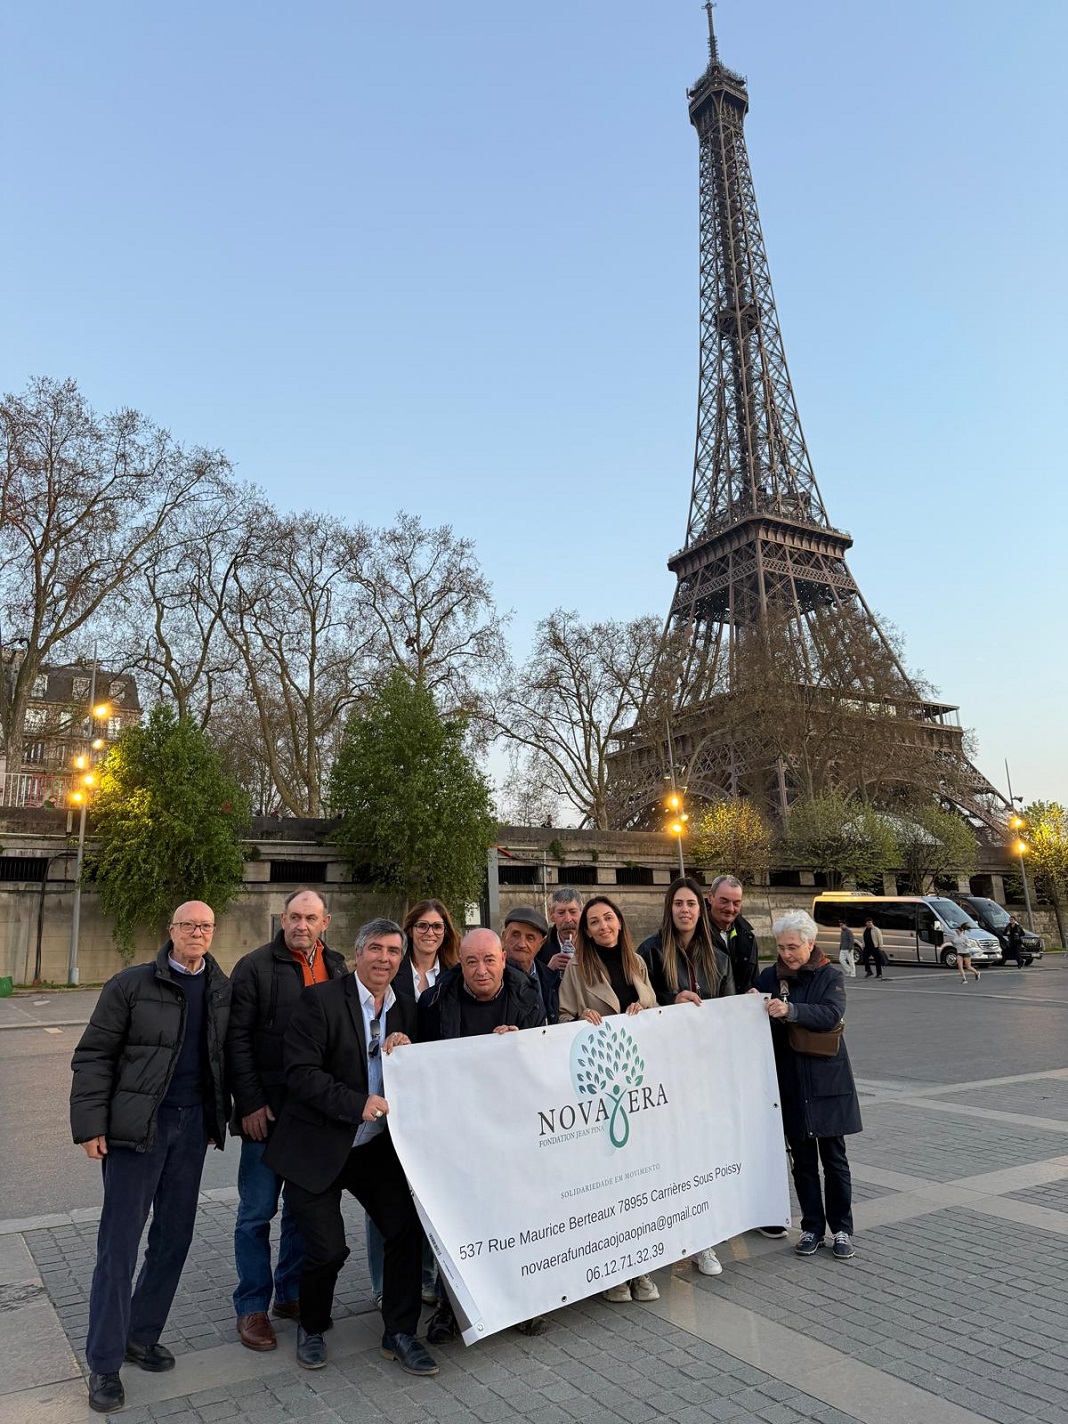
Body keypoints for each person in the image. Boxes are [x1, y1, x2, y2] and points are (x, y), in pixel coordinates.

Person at [70, 903, 231, 1415]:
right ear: (171, 932)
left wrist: (215, 1116)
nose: (197, 933)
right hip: (137, 1132)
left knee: (174, 1237)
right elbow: (94, 1054)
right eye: (188, 925)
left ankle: (142, 1334)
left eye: (205, 926)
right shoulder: (131, 984)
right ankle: (104, 1364)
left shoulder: (221, 987)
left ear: (212, 932)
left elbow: (223, 1054)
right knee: (118, 1246)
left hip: (191, 1131)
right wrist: (92, 1124)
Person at [262, 919, 438, 1378]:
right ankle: (313, 1327)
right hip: (317, 1146)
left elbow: (416, 1068)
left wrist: (407, 1048)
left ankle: (400, 1332)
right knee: (328, 1249)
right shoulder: (319, 1001)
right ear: (357, 954)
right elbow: (300, 1074)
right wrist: (357, 1103)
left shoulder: (405, 1008)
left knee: (404, 1231)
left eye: (393, 951)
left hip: (373, 1149)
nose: (384, 958)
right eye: (375, 949)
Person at [227, 889, 347, 1351]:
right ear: (282, 919)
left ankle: (291, 1294)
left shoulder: (336, 965)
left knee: (302, 1213)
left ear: (325, 922)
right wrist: (250, 1104)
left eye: (310, 918)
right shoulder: (254, 967)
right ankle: (252, 1306)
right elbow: (236, 1040)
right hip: (267, 1112)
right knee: (256, 1214)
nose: (301, 925)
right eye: (294, 916)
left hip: (313, 1116)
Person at [419, 928, 548, 1342]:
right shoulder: (436, 1000)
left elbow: (543, 1057)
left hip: (513, 1125)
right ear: (461, 964)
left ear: (503, 960)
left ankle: (522, 1301)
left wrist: (523, 1043)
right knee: (457, 1221)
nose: (480, 970)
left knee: (515, 1213)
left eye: (489, 960)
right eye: (471, 961)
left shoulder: (527, 995)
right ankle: (448, 1309)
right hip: (457, 1129)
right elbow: (419, 1061)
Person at [559, 896, 659, 1303]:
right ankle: (612, 1272)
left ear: (619, 921)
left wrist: (644, 1006)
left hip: (637, 1084)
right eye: (594, 922)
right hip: (601, 1088)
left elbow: (656, 1009)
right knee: (607, 1182)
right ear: (584, 931)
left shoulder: (637, 961)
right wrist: (579, 1020)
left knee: (639, 1179)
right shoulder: (578, 969)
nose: (603, 926)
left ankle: (641, 1267)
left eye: (608, 918)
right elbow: (561, 1019)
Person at [364, 898, 460, 1311]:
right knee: (383, 1194)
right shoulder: (391, 970)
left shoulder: (453, 975)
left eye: (438, 927)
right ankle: (384, 1283)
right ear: (409, 930)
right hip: (387, 1097)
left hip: (433, 1099)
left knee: (425, 1192)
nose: (430, 933)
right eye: (422, 925)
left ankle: (424, 1276)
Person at [639, 876, 735, 1277]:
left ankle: (702, 1240)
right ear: (669, 907)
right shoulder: (650, 950)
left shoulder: (718, 955)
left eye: (691, 903)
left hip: (704, 1070)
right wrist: (669, 1000)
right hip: (664, 1070)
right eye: (678, 903)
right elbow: (639, 1005)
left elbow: (728, 1009)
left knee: (702, 1153)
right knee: (665, 1157)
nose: (684, 910)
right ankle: (663, 1234)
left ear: (702, 907)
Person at [753, 910, 862, 1261]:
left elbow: (831, 1013)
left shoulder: (830, 974)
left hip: (827, 1080)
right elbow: (756, 1020)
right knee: (801, 1161)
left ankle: (842, 1228)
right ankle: (812, 1227)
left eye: (793, 947)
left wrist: (791, 1010)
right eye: (782, 947)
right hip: (790, 1081)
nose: (786, 954)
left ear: (810, 943)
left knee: (834, 1158)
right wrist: (752, 1001)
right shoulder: (770, 975)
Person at [503, 904, 560, 1024]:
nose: (522, 944)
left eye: (530, 938)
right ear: (504, 936)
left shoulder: (551, 979)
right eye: (515, 935)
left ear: (541, 943)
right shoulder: (490, 977)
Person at [706, 874, 760, 994]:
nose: (730, 908)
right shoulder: (693, 935)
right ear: (710, 897)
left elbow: (755, 981)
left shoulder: (749, 937)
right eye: (724, 901)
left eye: (736, 903)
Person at [536, 886, 583, 972]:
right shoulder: (540, 946)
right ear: (551, 915)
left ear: (582, 912)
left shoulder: (595, 943)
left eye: (573, 912)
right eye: (561, 913)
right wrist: (548, 970)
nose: (568, 919)